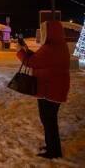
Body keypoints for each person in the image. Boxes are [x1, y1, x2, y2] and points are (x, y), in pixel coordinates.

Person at [16, 21, 70, 159]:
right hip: (52, 89)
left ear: (51, 32)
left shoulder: (50, 48)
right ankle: (51, 146)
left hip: (49, 90)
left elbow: (31, 62)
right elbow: (39, 59)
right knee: (49, 120)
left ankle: (54, 151)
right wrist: (27, 51)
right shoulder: (58, 45)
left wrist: (20, 52)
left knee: (49, 121)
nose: (43, 33)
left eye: (44, 30)